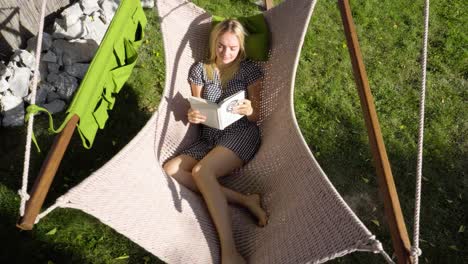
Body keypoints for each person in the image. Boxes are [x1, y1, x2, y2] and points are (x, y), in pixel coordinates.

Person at [163, 19, 268, 264]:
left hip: (241, 133)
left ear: (240, 46)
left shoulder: (249, 70)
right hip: (209, 137)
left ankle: (229, 251)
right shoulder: (200, 70)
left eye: (232, 47)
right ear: (214, 44)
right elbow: (197, 110)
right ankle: (244, 200)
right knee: (172, 169)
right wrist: (192, 115)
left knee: (202, 171)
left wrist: (249, 108)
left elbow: (256, 116)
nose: (226, 52)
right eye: (221, 46)